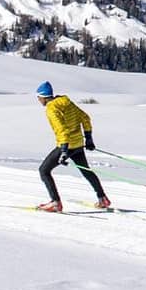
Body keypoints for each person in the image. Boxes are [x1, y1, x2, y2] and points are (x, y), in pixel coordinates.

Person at [34, 82, 110, 211]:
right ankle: (102, 198)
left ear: (43, 96)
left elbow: (61, 129)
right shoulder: (67, 102)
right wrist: (89, 138)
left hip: (66, 145)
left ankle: (55, 202)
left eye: (38, 97)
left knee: (44, 171)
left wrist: (63, 150)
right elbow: (85, 117)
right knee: (86, 171)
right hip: (78, 144)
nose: (38, 100)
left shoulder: (51, 109)